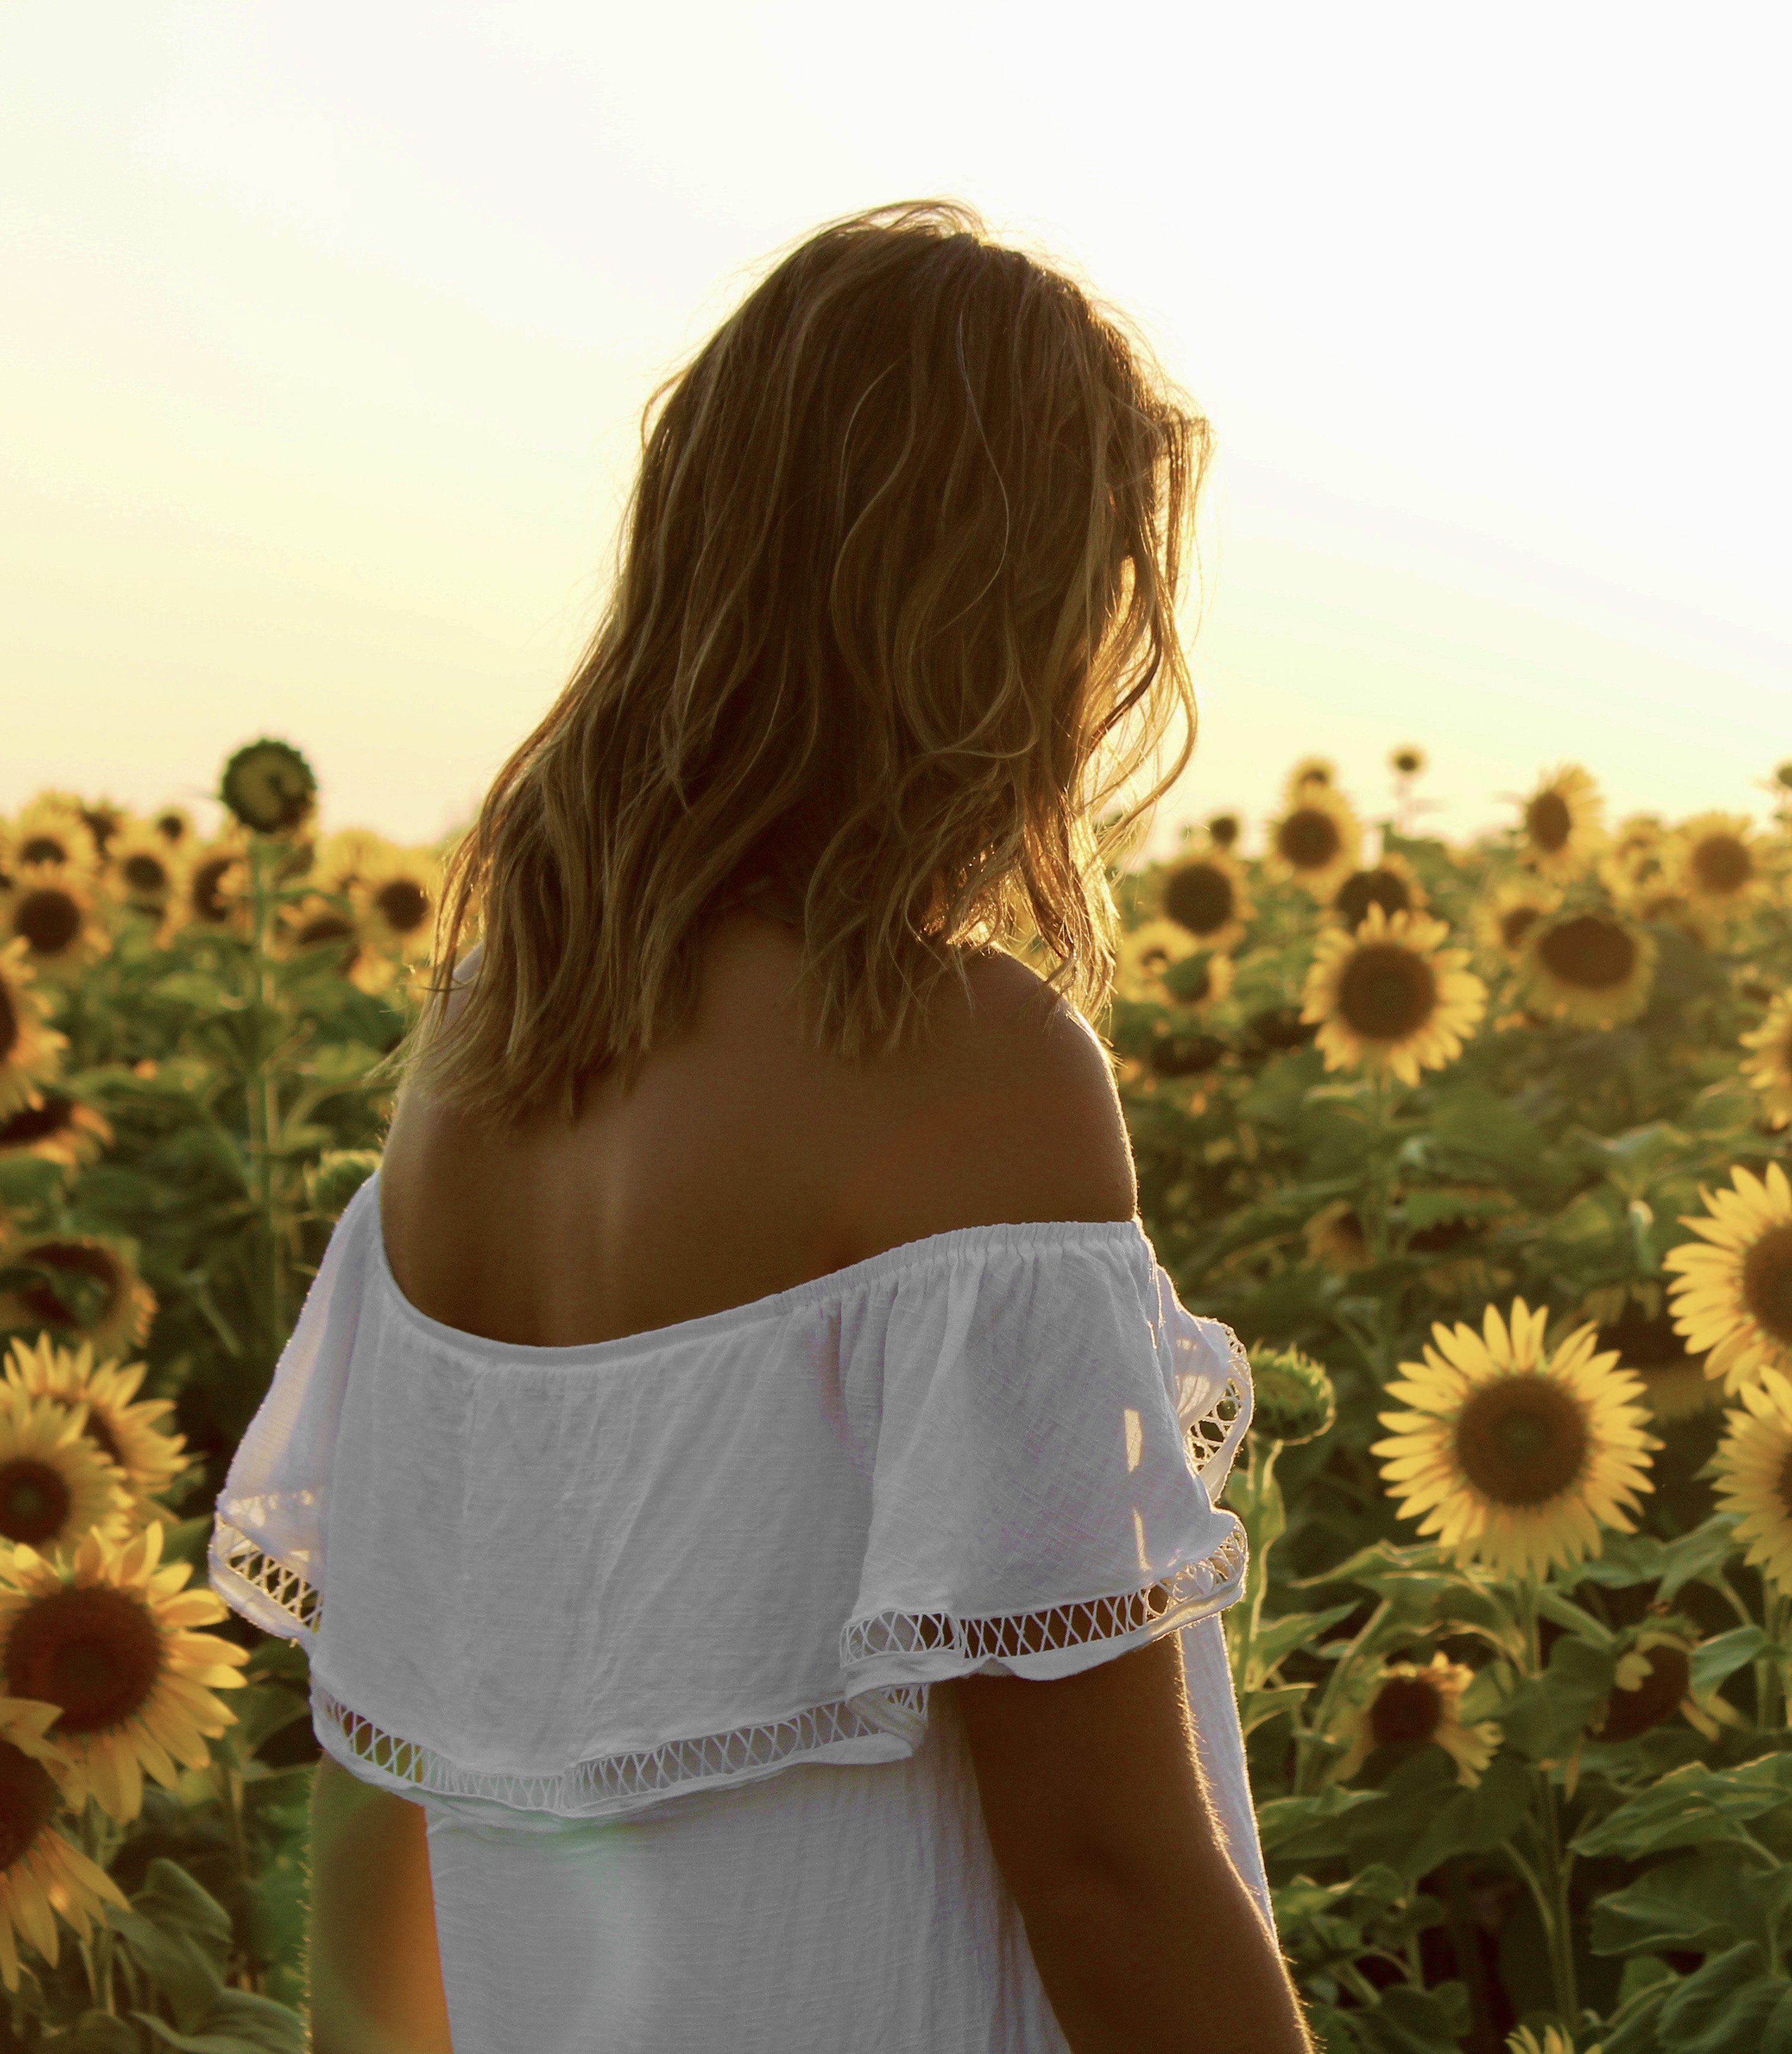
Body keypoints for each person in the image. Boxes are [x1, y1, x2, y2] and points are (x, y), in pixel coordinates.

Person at [213, 200, 1315, 2053]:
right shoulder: (969, 1070)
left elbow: (383, 1799)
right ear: (988, 620)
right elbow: (1105, 1865)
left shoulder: (474, 1078)